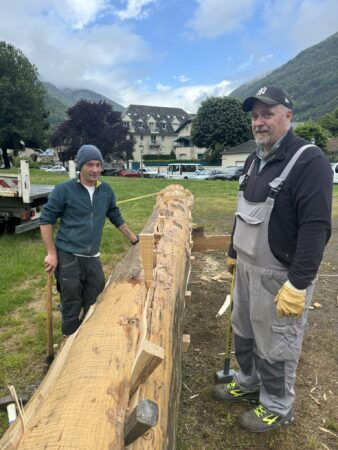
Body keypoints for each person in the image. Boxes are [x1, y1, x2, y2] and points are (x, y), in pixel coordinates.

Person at [212, 86, 332, 432]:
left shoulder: (309, 161)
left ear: (288, 116)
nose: (259, 122)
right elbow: (241, 212)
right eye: (254, 116)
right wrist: (234, 252)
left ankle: (278, 406)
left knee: (276, 342)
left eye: (267, 114)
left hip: (280, 275)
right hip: (247, 269)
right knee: (244, 331)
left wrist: (299, 283)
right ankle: (249, 383)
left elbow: (316, 227)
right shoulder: (253, 160)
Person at [40, 144, 139, 337]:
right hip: (68, 255)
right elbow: (46, 220)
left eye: (98, 165)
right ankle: (68, 340)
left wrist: (134, 239)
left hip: (93, 255)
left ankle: (86, 337)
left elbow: (115, 215)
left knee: (95, 297)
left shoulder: (106, 190)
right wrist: (52, 253)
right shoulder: (64, 190)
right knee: (71, 299)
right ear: (80, 166)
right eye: (89, 165)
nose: (95, 170)